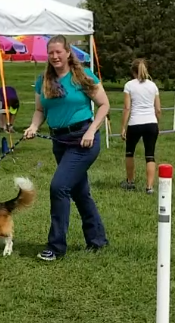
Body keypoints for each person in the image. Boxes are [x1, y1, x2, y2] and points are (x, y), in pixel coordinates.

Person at [23, 35, 110, 261]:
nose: (54, 56)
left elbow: (104, 104)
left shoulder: (82, 76)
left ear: (68, 52)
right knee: (80, 192)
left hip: (83, 140)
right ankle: (98, 241)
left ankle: (56, 247)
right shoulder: (43, 80)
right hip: (60, 142)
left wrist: (92, 130)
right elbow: (40, 110)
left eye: (58, 52)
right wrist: (33, 126)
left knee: (59, 187)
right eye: (51, 53)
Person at [120, 59, 161, 194]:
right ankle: (149, 187)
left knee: (129, 152)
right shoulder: (153, 86)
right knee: (150, 155)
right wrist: (157, 123)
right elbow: (158, 109)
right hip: (151, 123)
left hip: (135, 123)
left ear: (133, 71)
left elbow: (127, 108)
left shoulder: (129, 85)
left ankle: (130, 182)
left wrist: (123, 127)